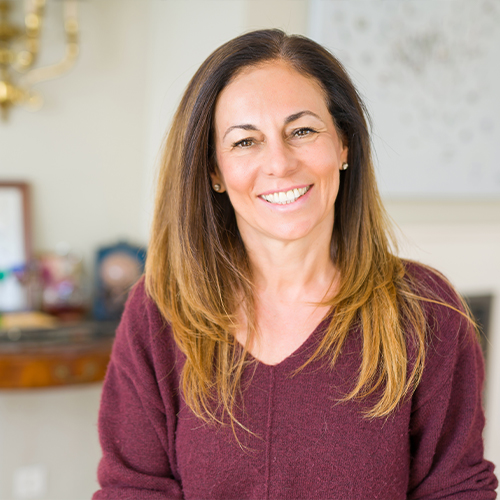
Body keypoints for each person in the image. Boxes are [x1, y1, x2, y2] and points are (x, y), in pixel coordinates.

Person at [93, 29, 497, 499]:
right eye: (245, 142)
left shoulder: (425, 311)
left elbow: (456, 490)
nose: (279, 164)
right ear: (214, 171)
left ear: (344, 144)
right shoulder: (159, 309)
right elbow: (132, 490)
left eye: (302, 131)